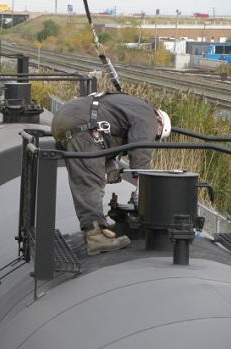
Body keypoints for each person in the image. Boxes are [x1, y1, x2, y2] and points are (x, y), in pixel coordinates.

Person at [51, 92, 171, 255]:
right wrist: (143, 187)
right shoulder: (149, 117)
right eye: (156, 135)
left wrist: (111, 164)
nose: (154, 137)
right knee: (91, 182)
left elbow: (108, 136)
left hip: (68, 120)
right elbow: (141, 150)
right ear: (159, 123)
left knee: (86, 180)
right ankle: (95, 237)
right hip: (83, 126)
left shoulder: (133, 106)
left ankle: (94, 229)